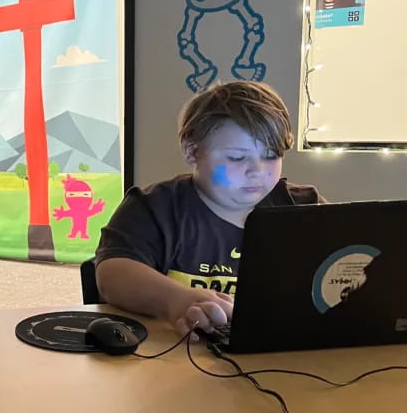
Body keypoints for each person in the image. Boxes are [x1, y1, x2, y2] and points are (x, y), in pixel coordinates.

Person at [93, 81, 323, 342]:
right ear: (193, 152)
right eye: (237, 157)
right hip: (175, 356)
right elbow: (112, 274)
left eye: (271, 155)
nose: (257, 170)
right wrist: (178, 300)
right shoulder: (155, 208)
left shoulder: (306, 208)